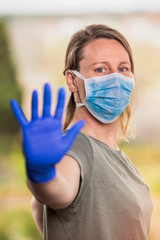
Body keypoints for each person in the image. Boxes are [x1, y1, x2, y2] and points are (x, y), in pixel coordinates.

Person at [11, 24, 153, 240]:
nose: (116, 79)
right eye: (101, 69)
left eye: (123, 68)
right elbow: (58, 190)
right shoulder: (75, 150)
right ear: (72, 80)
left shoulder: (112, 152)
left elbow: (38, 208)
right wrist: (41, 176)